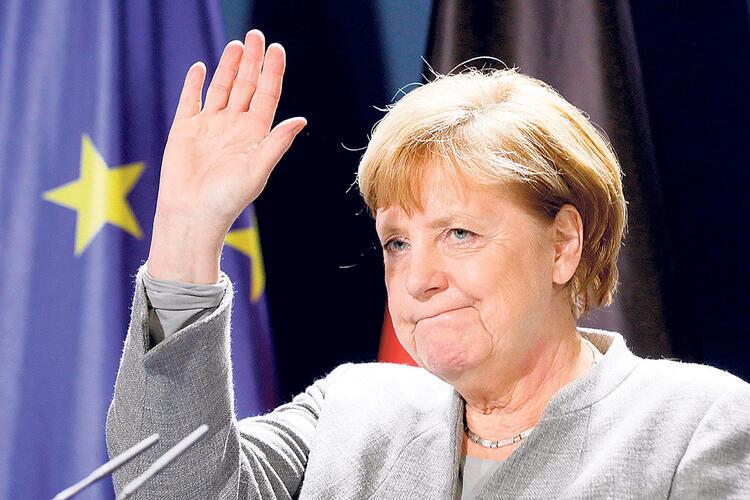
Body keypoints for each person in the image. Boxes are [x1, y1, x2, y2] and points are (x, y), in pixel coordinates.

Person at [106, 30, 750, 499]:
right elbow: (168, 484)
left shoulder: (696, 426)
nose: (418, 279)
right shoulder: (349, 413)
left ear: (562, 246)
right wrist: (187, 234)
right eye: (397, 243)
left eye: (459, 233)